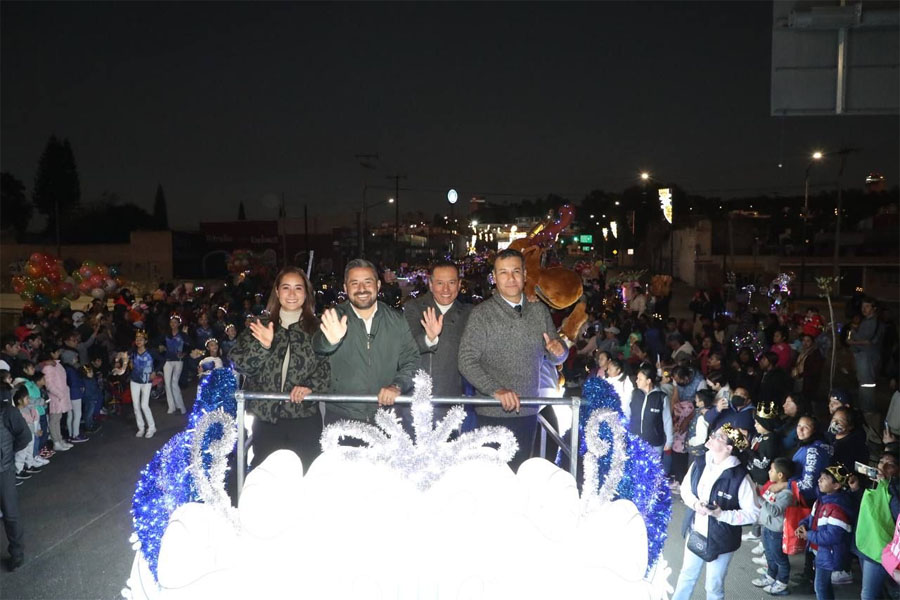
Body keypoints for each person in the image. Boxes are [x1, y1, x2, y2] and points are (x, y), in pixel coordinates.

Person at [459, 249, 568, 471]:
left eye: (516, 271)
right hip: (492, 412)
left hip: (528, 411)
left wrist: (560, 351)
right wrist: (496, 390)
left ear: (525, 275)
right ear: (494, 277)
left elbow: (557, 353)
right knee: (493, 479)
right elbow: (466, 360)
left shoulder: (539, 311)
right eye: (504, 272)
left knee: (520, 475)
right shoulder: (482, 315)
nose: (510, 278)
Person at [230, 267, 331, 470]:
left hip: (304, 417)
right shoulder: (259, 326)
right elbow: (240, 364)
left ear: (306, 293)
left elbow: (328, 370)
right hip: (266, 418)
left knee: (306, 474)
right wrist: (263, 346)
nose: (292, 294)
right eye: (286, 287)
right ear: (277, 291)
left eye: (298, 288)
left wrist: (310, 387)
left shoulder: (318, 330)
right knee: (266, 476)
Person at [314, 259, 419, 427]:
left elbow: (412, 360)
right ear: (345, 288)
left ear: (378, 285)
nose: (361, 289)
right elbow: (317, 347)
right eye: (354, 283)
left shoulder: (396, 320)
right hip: (342, 417)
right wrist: (330, 342)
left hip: (386, 417)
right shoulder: (336, 317)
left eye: (367, 282)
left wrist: (397, 386)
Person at [673, 424, 761, 600]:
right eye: (714, 434)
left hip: (721, 539)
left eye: (719, 437)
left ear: (729, 448)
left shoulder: (740, 477)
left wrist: (722, 514)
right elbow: (685, 489)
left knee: (713, 586)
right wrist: (696, 504)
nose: (712, 437)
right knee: (686, 576)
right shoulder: (699, 462)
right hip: (695, 531)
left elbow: (754, 513)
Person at [402, 260, 472, 428]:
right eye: (440, 283)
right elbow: (407, 346)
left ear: (459, 284)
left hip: (450, 402)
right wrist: (429, 338)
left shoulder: (469, 313)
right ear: (431, 284)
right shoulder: (413, 308)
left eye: (451, 283)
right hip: (414, 401)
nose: (446, 289)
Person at [796, 464, 856, 600]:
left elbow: (832, 536)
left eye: (824, 479)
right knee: (824, 586)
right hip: (821, 551)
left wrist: (808, 535)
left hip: (829, 553)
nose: (819, 480)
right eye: (820, 478)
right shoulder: (822, 499)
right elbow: (812, 518)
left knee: (821, 587)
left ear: (836, 486)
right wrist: (803, 525)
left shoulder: (837, 508)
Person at [751, 457, 795, 595]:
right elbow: (764, 504)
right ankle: (770, 576)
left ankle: (782, 583)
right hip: (766, 527)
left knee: (779, 558)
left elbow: (775, 510)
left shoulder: (787, 494)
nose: (769, 472)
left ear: (780, 475)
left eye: (772, 470)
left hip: (776, 531)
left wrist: (762, 498)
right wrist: (758, 495)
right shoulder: (772, 488)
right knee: (769, 554)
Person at [1, 395, 31, 571]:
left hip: (3, 471)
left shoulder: (8, 412)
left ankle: (17, 553)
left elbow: (25, 436)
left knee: (10, 514)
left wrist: (8, 454)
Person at [848, 298, 883, 435]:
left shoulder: (873, 323)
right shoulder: (867, 322)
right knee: (863, 385)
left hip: (868, 359)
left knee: (867, 385)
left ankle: (868, 418)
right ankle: (864, 414)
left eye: (867, 306)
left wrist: (853, 340)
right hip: (864, 358)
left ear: (874, 308)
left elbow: (867, 340)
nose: (864, 309)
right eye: (863, 306)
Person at [629, 363, 673, 457]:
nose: (636, 381)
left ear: (648, 381)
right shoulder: (634, 394)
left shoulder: (661, 397)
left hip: (655, 443)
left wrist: (669, 441)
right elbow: (627, 414)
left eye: (640, 379)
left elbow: (667, 420)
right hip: (636, 441)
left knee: (653, 470)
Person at [39, 346, 72, 451]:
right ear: (51, 353)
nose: (58, 353)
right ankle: (56, 441)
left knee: (58, 419)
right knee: (54, 420)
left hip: (61, 396)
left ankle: (59, 439)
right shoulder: (48, 367)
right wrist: (60, 394)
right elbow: (49, 384)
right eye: (56, 351)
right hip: (55, 397)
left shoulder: (57, 365)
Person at [129, 330, 157, 439]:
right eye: (137, 339)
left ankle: (152, 427)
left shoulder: (151, 352)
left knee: (144, 405)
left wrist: (155, 371)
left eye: (141, 339)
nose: (138, 341)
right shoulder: (133, 352)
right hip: (134, 380)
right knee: (136, 406)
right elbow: (125, 358)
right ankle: (141, 427)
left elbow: (162, 359)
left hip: (146, 381)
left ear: (145, 341)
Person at [160, 315, 189, 415]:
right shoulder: (166, 334)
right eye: (171, 322)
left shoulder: (183, 334)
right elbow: (159, 344)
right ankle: (171, 406)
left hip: (178, 360)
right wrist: (162, 348)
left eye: (175, 322)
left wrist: (184, 353)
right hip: (167, 360)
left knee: (174, 382)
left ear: (179, 324)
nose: (173, 324)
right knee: (167, 383)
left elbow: (188, 345)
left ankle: (181, 405)